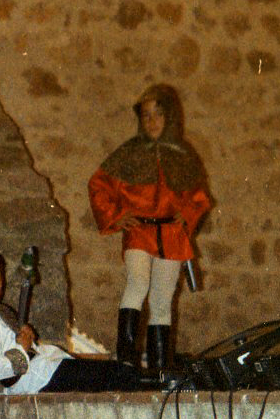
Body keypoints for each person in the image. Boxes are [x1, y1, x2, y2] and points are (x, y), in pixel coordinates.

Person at [88, 84, 211, 375]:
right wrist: (117, 215)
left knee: (162, 300)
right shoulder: (128, 153)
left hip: (172, 235)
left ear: (170, 117)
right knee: (138, 282)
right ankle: (126, 361)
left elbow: (199, 198)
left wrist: (186, 215)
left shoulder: (183, 154)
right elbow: (98, 185)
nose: (152, 121)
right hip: (140, 232)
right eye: (146, 115)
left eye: (158, 114)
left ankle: (159, 368)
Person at [0, 249, 144, 393]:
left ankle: (155, 381)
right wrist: (22, 348)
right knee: (115, 374)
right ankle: (158, 382)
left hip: (43, 370)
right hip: (36, 379)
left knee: (115, 373)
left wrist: (25, 338)